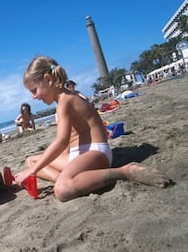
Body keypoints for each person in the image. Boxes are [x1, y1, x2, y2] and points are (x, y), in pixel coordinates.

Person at [14, 56, 172, 202]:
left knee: (62, 190)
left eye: (34, 90)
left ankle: (124, 171)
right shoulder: (63, 100)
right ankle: (76, 178)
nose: (34, 97)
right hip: (79, 155)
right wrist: (33, 168)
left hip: (95, 153)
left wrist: (33, 171)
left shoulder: (66, 102)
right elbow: (69, 141)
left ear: (48, 80)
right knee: (31, 161)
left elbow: (61, 141)